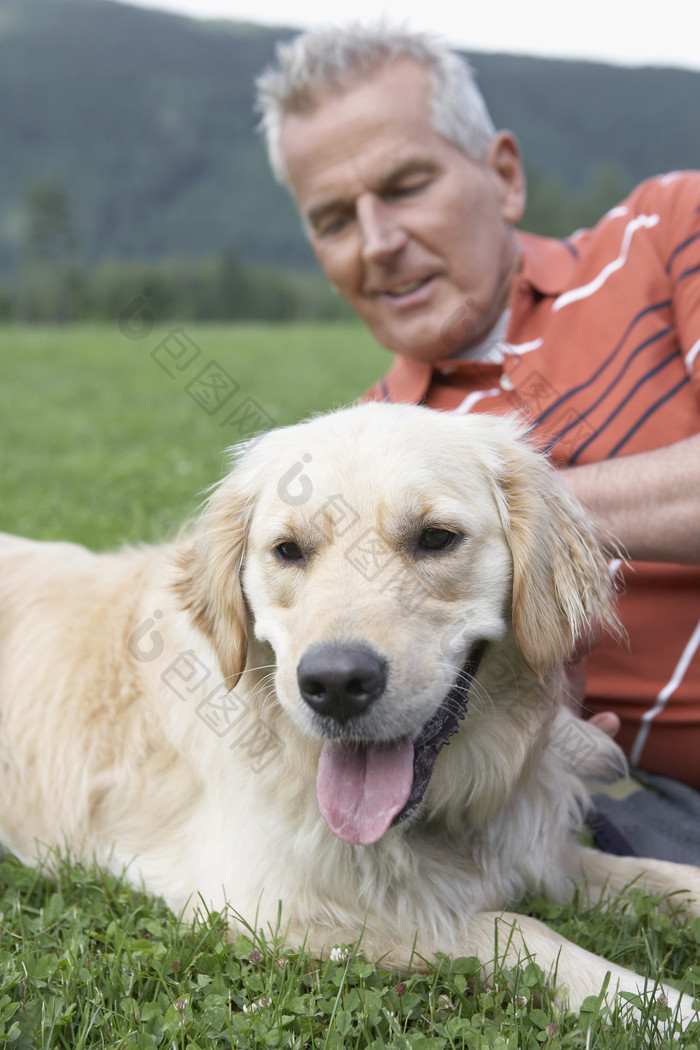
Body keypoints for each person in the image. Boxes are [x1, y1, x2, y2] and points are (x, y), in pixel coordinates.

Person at [255, 24, 700, 859]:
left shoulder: (669, 232)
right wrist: (525, 729)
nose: (379, 241)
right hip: (642, 797)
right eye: (334, 220)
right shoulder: (365, 441)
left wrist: (523, 524)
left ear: (502, 174)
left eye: (407, 185)